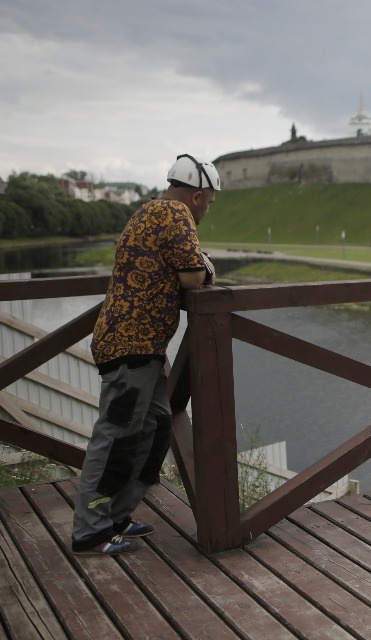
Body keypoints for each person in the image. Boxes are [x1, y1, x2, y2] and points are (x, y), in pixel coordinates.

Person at [71, 154, 220, 555]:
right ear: (199, 195)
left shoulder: (148, 211)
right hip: (131, 346)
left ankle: (116, 516)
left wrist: (198, 266)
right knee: (116, 435)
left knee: (155, 425)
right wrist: (208, 268)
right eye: (210, 201)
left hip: (138, 345)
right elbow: (192, 276)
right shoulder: (176, 214)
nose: (208, 208)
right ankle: (91, 530)